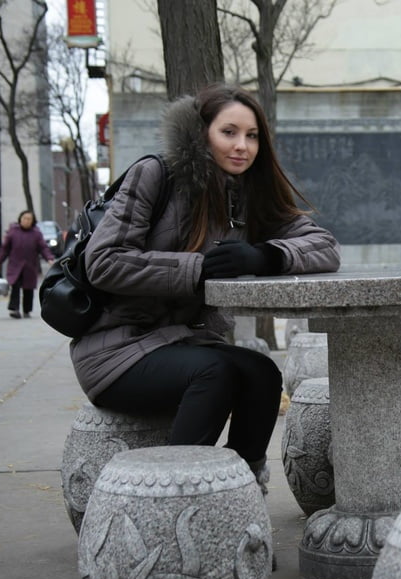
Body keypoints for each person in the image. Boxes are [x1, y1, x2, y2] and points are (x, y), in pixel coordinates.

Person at [70, 83, 341, 491]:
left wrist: (268, 256)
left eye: (252, 136)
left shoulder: (251, 194)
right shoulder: (155, 175)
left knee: (262, 372)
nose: (242, 146)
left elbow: (325, 247)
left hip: (185, 343)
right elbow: (104, 262)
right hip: (116, 350)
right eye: (228, 132)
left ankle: (238, 493)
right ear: (202, 134)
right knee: (216, 373)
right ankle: (170, 496)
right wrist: (197, 270)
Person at [0, 210, 55, 319]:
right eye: (24, 218)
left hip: (30, 266)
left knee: (28, 289)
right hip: (15, 265)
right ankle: (15, 309)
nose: (26, 221)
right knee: (15, 287)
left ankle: (27, 310)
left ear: (32, 221)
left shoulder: (36, 233)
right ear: (20, 219)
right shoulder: (13, 232)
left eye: (29, 219)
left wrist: (49, 259)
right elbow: (5, 249)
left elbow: (43, 248)